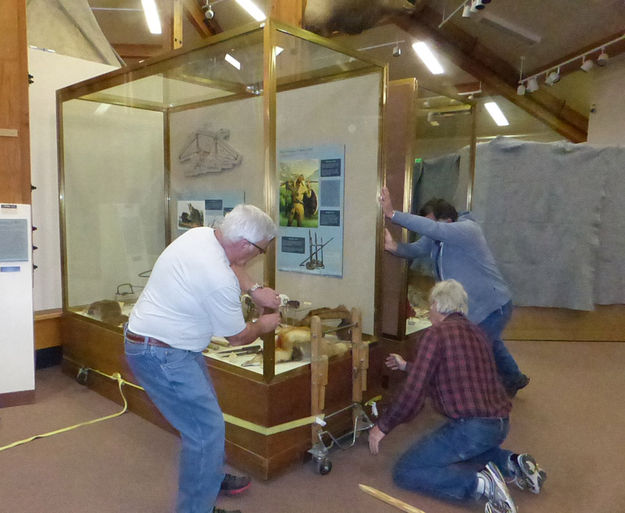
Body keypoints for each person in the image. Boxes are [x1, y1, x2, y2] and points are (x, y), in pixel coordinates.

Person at [124, 204, 282, 513]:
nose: (258, 256)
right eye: (260, 251)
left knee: (207, 420)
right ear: (245, 244)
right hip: (161, 354)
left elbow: (231, 261)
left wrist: (255, 288)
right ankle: (196, 506)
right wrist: (265, 324)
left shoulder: (202, 236)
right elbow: (237, 337)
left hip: (169, 346)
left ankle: (206, 476)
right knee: (205, 430)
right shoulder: (218, 278)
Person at [368, 280, 547, 513]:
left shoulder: (435, 335)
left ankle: (482, 486)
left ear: (436, 305)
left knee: (407, 470)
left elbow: (414, 393)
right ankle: (513, 464)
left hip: (472, 428)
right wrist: (406, 366)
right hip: (499, 423)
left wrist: (382, 426)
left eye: (429, 307)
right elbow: (451, 370)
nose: (429, 312)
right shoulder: (477, 333)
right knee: (470, 451)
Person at [379, 187, 529, 397]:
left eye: (432, 223)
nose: (428, 230)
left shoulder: (467, 230)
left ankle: (481, 400)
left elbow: (434, 230)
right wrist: (394, 247)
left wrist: (392, 214)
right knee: (491, 343)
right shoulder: (436, 237)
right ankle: (515, 379)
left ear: (447, 220)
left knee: (474, 353)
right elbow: (416, 249)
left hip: (493, 305)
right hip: (474, 308)